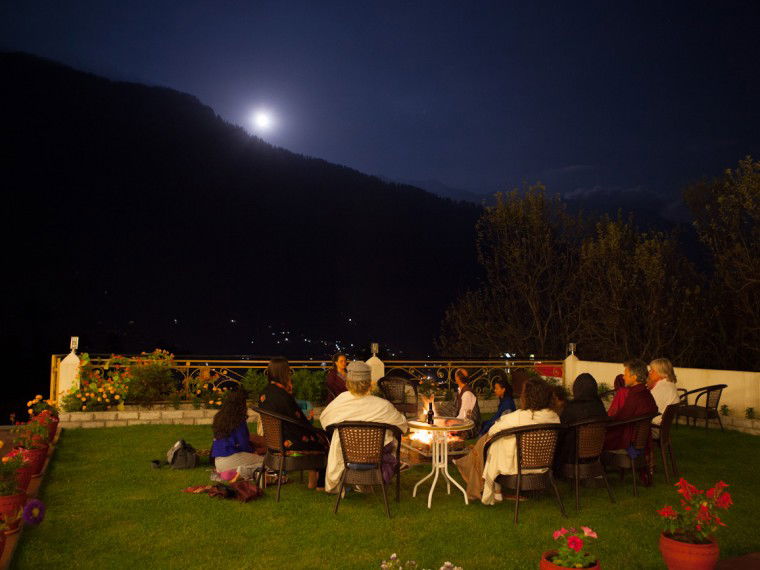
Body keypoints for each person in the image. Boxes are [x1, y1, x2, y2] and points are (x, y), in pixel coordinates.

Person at [319, 361, 408, 494]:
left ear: (348, 382)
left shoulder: (339, 403)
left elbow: (324, 421)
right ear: (369, 382)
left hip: (347, 456)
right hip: (376, 457)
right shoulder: (383, 406)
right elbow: (403, 426)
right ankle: (375, 477)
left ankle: (355, 480)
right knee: (390, 441)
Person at [472, 378, 560, 505]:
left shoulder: (518, 417)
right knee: (505, 441)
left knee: (497, 443)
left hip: (518, 468)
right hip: (544, 466)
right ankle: (497, 491)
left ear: (526, 397)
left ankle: (496, 490)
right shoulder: (554, 417)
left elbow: (492, 430)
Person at [258, 357, 329, 490]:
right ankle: (320, 483)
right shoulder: (282, 395)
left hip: (274, 442)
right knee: (324, 440)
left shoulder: (265, 392)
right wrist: (314, 430)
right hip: (289, 442)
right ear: (283, 372)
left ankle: (313, 479)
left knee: (317, 436)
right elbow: (299, 419)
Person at [554, 373, 607, 471]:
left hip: (572, 456)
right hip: (596, 454)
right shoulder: (600, 407)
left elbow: (560, 432)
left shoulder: (572, 408)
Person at [604, 359, 658, 451]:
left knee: (596, 437)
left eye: (625, 374)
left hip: (628, 439)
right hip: (640, 437)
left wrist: (604, 421)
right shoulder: (645, 393)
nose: (623, 377)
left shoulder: (636, 395)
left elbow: (621, 417)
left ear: (634, 377)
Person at [211, 389, 264, 476]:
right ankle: (239, 472)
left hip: (218, 462)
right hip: (232, 458)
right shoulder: (238, 420)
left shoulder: (219, 418)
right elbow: (243, 444)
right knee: (266, 463)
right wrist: (254, 452)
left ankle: (228, 473)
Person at [648, 358, 680, 426]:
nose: (649, 372)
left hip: (652, 424)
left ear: (661, 372)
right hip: (661, 423)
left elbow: (647, 407)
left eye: (652, 370)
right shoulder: (670, 384)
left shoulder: (662, 388)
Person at [454, 368, 481, 437]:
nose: (455, 377)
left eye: (455, 376)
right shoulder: (461, 390)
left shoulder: (467, 393)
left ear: (458, 378)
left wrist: (452, 422)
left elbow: (464, 415)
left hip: (470, 424)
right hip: (463, 419)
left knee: (447, 427)